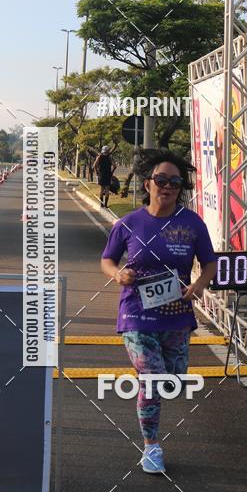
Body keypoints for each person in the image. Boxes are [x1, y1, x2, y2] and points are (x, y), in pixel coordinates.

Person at [100, 148, 217, 474]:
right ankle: (152, 447)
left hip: (177, 314)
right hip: (136, 313)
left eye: (175, 182)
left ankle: (156, 398)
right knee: (151, 379)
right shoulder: (128, 223)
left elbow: (209, 263)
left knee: (173, 380)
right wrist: (118, 274)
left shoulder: (192, 224)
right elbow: (107, 259)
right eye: (161, 180)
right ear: (148, 183)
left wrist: (199, 285)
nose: (167, 187)